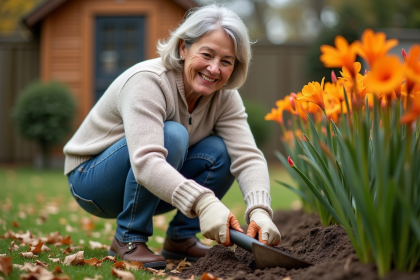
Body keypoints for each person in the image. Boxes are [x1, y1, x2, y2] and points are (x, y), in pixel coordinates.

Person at [63, 4, 281, 269]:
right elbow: (146, 161)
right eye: (207, 54)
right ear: (182, 48)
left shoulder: (225, 98)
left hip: (144, 181)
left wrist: (259, 210)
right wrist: (203, 202)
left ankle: (181, 239)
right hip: (91, 180)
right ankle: (128, 239)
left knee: (221, 151)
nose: (214, 69)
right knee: (173, 135)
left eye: (226, 61)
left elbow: (247, 157)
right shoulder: (148, 81)